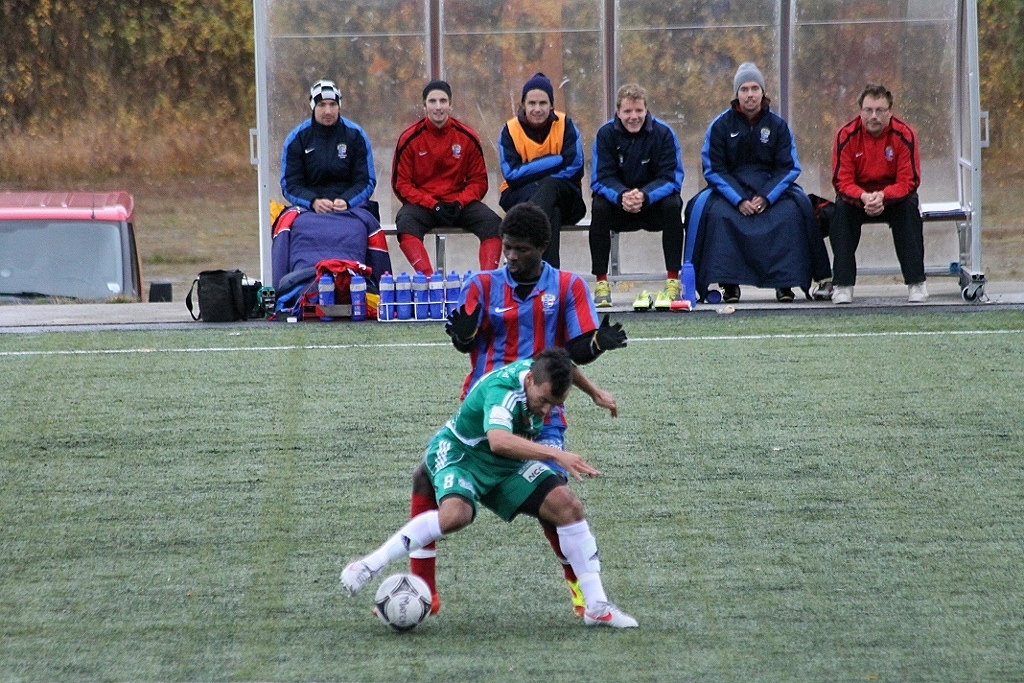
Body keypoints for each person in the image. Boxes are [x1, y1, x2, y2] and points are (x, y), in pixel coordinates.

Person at [409, 202, 627, 618]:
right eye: (507, 247)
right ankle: (423, 591)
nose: (510, 256)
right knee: (425, 475)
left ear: (543, 247)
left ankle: (582, 595)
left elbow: (574, 349)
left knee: (554, 501)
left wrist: (598, 345)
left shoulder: (568, 286)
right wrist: (462, 335)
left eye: (521, 249)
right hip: (485, 412)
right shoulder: (481, 284)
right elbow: (465, 340)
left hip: (542, 417)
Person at [341, 347, 639, 628]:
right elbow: (499, 441)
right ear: (530, 380)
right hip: (462, 454)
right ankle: (369, 565)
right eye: (544, 400)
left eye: (555, 404)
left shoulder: (544, 372)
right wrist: (556, 454)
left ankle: (597, 607)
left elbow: (567, 367)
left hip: (505, 463)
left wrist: (594, 392)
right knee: (456, 515)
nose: (547, 410)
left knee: (567, 506)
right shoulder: (503, 392)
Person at [685, 62, 831, 303]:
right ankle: (728, 284)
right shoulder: (720, 126)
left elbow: (789, 167)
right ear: (736, 94)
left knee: (792, 211)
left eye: (755, 88)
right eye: (744, 89)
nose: (750, 94)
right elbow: (713, 168)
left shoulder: (778, 126)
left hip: (771, 191)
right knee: (716, 214)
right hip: (731, 191)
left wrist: (765, 197)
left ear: (763, 92)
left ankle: (785, 283)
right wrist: (739, 200)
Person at [276, 79, 391, 287]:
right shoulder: (297, 138)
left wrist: (346, 201)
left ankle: (362, 284)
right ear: (313, 106)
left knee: (360, 228)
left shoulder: (355, 135)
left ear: (339, 105)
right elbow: (289, 184)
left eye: (332, 104)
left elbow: (366, 180)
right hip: (308, 210)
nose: (328, 111)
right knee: (291, 228)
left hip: (350, 208)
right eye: (322, 105)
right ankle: (298, 285)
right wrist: (313, 201)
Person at [589, 83, 685, 310]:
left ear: (646, 109)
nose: (634, 117)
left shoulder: (664, 133)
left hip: (652, 206)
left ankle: (673, 281)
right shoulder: (605, 134)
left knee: (673, 204)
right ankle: (601, 284)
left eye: (639, 110)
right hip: (619, 208)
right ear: (618, 112)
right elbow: (600, 178)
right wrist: (622, 195)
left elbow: (672, 177)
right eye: (628, 111)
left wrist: (645, 195)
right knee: (599, 206)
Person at [391, 80, 503, 275]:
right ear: (424, 105)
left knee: (493, 223)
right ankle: (429, 280)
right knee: (405, 223)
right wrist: (431, 204)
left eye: (443, 101)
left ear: (450, 104)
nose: (438, 107)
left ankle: (486, 281)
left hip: (459, 204)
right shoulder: (409, 138)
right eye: (432, 101)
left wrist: (460, 202)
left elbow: (479, 181)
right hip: (424, 205)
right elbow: (402, 184)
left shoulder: (467, 136)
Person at [830, 83, 927, 304]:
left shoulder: (905, 134)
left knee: (909, 207)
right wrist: (863, 197)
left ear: (889, 112)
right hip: (858, 200)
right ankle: (842, 285)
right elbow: (841, 181)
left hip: (892, 200)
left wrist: (883, 196)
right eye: (868, 110)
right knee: (841, 210)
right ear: (860, 111)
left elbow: (909, 180)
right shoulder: (845, 135)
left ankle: (916, 283)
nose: (874, 116)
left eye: (880, 110)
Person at [498, 73, 586, 268]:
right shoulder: (510, 130)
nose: (537, 109)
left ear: (551, 105)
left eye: (543, 103)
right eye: (532, 103)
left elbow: (575, 167)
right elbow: (511, 174)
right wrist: (555, 160)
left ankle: (517, 246)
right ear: (523, 104)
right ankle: (548, 275)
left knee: (550, 186)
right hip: (518, 195)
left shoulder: (566, 124)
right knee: (551, 211)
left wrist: (536, 177)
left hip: (567, 197)